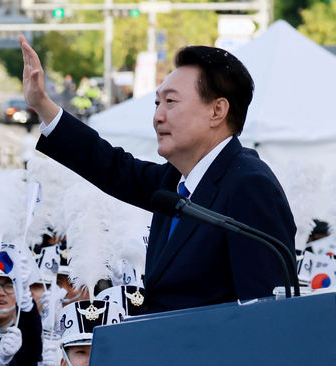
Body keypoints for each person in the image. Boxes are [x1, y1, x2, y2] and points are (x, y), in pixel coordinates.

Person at [19, 36, 296, 313]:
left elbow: (266, 314)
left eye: (171, 102)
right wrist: (43, 104)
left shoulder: (248, 185)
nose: (158, 117)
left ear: (217, 110)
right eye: (156, 103)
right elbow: (113, 167)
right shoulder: (177, 183)